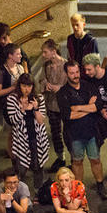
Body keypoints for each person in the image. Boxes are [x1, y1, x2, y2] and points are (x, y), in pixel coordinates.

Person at [57, 59, 107, 199]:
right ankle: (79, 188)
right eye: (72, 73)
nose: (76, 75)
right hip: (74, 134)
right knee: (77, 162)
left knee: (96, 159)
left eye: (77, 72)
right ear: (66, 74)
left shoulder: (89, 86)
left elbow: (97, 106)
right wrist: (88, 108)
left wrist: (78, 107)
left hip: (92, 132)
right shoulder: (62, 93)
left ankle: (100, 184)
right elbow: (68, 115)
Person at [6, 73, 49, 189]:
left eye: (29, 86)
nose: (27, 89)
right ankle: (19, 191)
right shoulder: (12, 99)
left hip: (37, 137)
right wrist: (23, 110)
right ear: (19, 86)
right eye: (24, 86)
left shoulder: (38, 98)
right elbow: (13, 120)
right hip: (21, 139)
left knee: (38, 165)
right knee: (21, 167)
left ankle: (38, 191)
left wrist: (36, 108)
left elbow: (41, 121)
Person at [40, 39, 68, 171]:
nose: (43, 55)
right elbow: (42, 80)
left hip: (65, 105)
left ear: (53, 51)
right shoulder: (46, 66)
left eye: (45, 52)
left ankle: (74, 159)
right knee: (56, 133)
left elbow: (74, 84)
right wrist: (45, 84)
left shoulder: (67, 65)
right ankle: (61, 158)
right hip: (51, 105)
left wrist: (60, 88)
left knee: (69, 133)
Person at [0, 44, 25, 157]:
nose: (21, 55)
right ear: (10, 56)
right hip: (9, 107)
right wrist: (13, 87)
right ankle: (13, 157)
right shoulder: (2, 72)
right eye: (18, 53)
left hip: (22, 104)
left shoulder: (20, 68)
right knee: (12, 133)